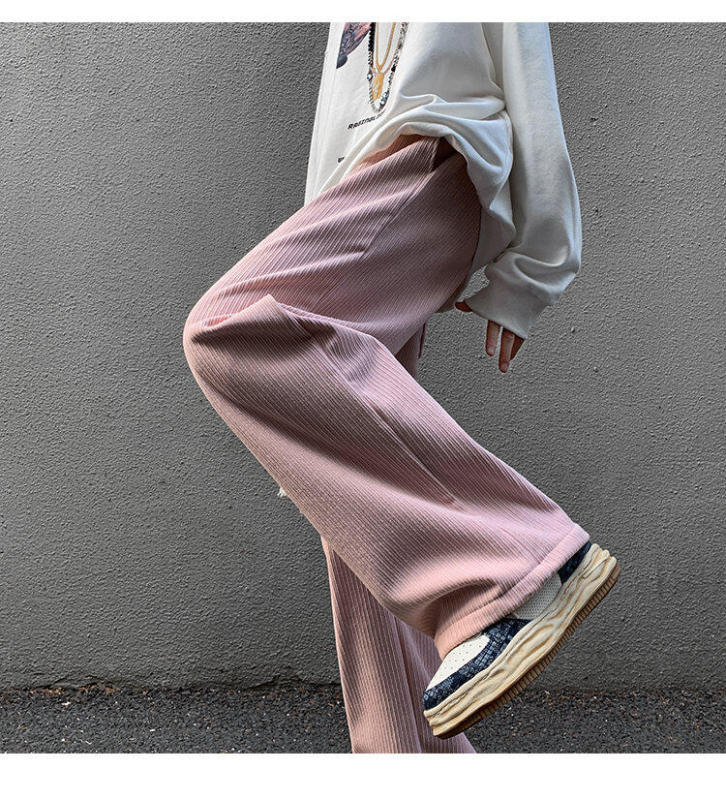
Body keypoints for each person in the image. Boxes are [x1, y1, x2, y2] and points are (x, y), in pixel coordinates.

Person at [182, 22, 620, 753]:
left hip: (434, 160)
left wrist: (535, 265)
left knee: (224, 326)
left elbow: (528, 72)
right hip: (360, 195)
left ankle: (514, 570)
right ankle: (404, 756)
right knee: (360, 509)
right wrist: (301, 404)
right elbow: (337, 125)